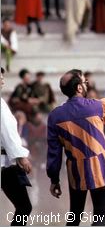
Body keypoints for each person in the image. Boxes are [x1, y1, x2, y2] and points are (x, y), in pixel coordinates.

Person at [46, 69, 105, 226]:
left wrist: (54, 179)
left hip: (76, 172)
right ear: (79, 88)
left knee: (74, 217)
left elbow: (54, 153)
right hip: (101, 169)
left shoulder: (54, 116)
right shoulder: (98, 106)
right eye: (85, 83)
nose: (87, 85)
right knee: (100, 219)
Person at [1, 67, 33, 226]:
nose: (2, 80)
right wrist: (21, 156)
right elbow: (6, 131)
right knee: (24, 207)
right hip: (5, 164)